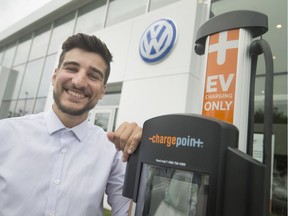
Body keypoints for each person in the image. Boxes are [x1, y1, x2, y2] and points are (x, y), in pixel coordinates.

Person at [0, 33, 142, 216]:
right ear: (54, 76)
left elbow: (128, 213)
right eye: (72, 68)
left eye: (93, 75)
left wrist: (144, 154)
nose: (79, 82)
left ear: (102, 92)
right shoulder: (5, 133)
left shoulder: (112, 152)